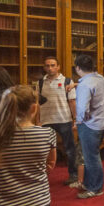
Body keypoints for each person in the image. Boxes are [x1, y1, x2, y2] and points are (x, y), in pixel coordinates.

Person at [73, 54, 104, 199]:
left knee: (91, 158)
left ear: (77, 68)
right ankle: (89, 183)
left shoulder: (84, 85)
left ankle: (96, 188)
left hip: (90, 126)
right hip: (103, 123)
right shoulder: (101, 78)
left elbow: (82, 109)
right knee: (92, 155)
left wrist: (78, 121)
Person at [38, 56, 78, 186]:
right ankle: (40, 177)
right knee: (42, 150)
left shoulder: (67, 81)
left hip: (63, 119)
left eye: (53, 65)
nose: (50, 68)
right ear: (44, 67)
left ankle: (73, 175)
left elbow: (72, 101)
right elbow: (37, 103)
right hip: (45, 120)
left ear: (58, 66)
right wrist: (38, 120)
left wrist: (75, 119)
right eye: (47, 65)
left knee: (70, 149)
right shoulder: (40, 82)